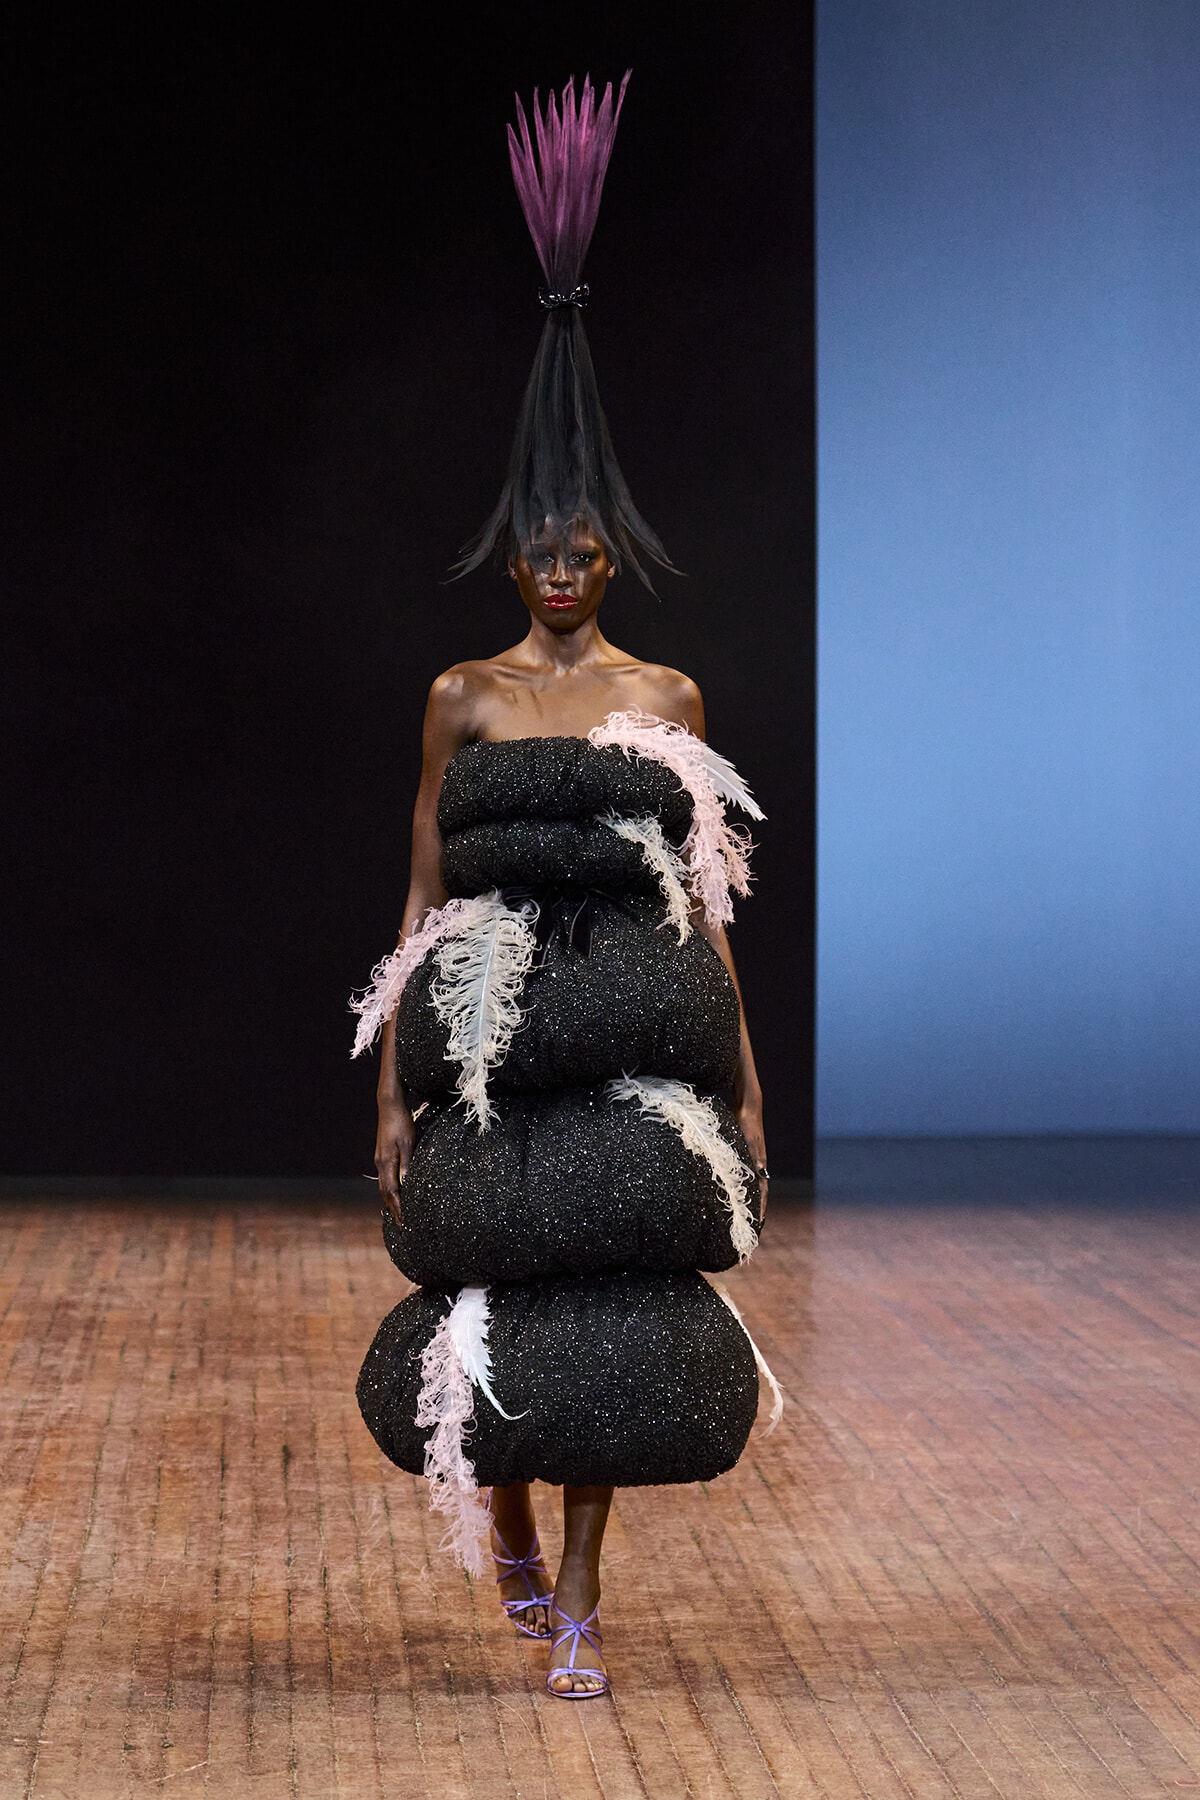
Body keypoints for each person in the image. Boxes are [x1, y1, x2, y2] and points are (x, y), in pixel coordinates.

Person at [351, 75, 778, 1700]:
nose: (556, 565)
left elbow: (703, 899)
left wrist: (743, 1079)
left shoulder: (664, 700)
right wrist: (391, 1092)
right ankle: (517, 1530)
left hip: (623, 1033)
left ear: (612, 557)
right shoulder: (462, 695)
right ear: (512, 551)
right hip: (483, 1038)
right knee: (504, 1300)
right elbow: (420, 889)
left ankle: (582, 1595)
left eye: (580, 546)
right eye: (536, 544)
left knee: (610, 1315)